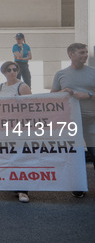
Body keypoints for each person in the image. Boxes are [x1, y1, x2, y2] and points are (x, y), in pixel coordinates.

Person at [51, 43, 95, 199]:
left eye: (86, 52)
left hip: (92, 121)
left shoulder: (93, 72)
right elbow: (52, 96)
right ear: (71, 54)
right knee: (75, 157)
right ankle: (78, 186)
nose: (85, 55)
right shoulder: (61, 74)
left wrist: (88, 95)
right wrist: (62, 93)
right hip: (71, 123)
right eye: (81, 52)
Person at [0, 60, 32, 203]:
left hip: (20, 128)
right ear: (4, 73)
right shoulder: (1, 86)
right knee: (8, 157)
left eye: (14, 69)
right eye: (9, 70)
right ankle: (13, 184)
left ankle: (23, 191)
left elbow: (31, 107)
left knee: (21, 158)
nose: (12, 72)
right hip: (5, 128)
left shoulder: (22, 86)